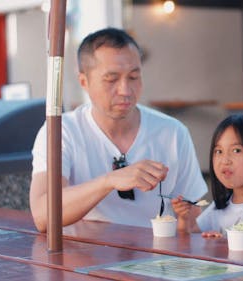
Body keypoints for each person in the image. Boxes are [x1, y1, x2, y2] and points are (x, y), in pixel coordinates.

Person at [29, 27, 207, 232]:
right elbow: (43, 215)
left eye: (133, 77)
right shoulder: (62, 132)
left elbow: (192, 221)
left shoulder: (173, 132)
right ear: (84, 82)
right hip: (86, 257)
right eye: (111, 79)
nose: (125, 90)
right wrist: (109, 181)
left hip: (158, 255)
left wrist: (189, 218)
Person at [172, 114, 243, 242]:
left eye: (236, 150)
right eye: (219, 151)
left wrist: (222, 246)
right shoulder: (218, 208)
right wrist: (183, 219)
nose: (224, 161)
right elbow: (190, 243)